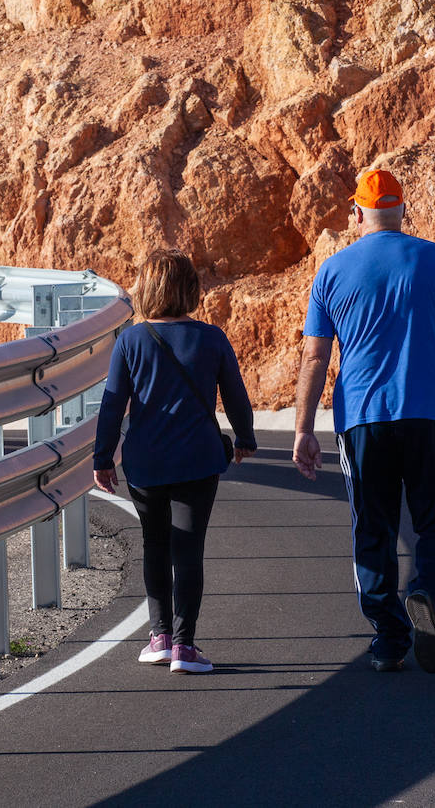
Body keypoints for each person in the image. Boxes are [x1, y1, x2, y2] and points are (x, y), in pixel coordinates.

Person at [292, 169, 435, 674]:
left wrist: (304, 430)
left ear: (357, 213)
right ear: (402, 210)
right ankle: (427, 592)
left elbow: (314, 358)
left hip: (363, 421)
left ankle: (389, 640)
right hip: (432, 415)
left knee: (374, 527)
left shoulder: (332, 270)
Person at [94, 249, 257, 674]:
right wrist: (244, 437)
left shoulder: (131, 341)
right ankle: (185, 646)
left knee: (154, 544)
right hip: (198, 460)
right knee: (188, 550)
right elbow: (235, 396)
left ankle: (159, 637)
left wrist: (102, 457)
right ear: (190, 289)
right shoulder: (212, 338)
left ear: (145, 290)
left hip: (145, 461)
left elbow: (112, 407)